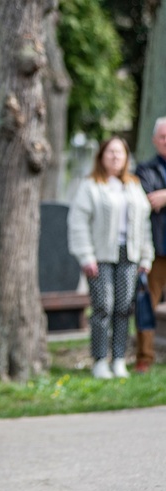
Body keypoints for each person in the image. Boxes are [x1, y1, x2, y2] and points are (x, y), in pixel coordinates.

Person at [68, 136, 154, 379]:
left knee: (124, 308)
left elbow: (143, 225)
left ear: (126, 158)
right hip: (101, 256)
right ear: (102, 156)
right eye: (110, 152)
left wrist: (146, 257)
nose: (115, 157)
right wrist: (86, 256)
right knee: (103, 307)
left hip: (130, 255)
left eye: (120, 153)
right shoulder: (91, 185)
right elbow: (78, 223)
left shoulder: (134, 186)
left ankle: (118, 359)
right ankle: (99, 360)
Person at [133, 117, 166, 373]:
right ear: (155, 141)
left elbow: (159, 198)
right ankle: (144, 358)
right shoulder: (144, 170)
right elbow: (147, 200)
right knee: (147, 304)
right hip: (156, 248)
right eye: (163, 137)